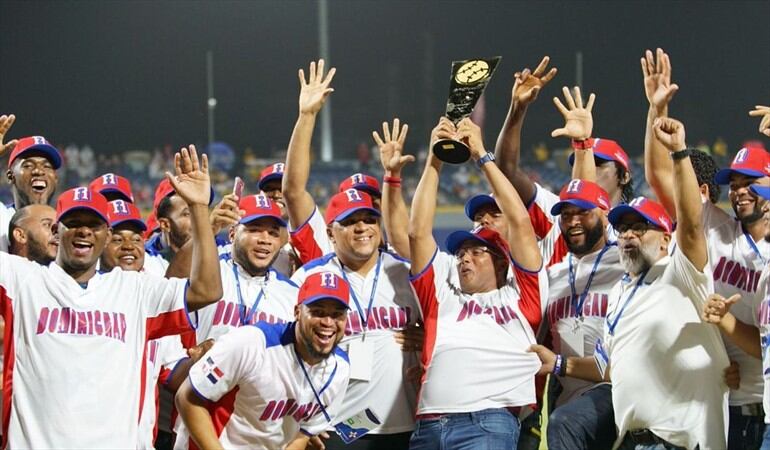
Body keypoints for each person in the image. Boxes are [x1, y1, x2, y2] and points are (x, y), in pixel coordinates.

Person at [0, 145, 222, 448]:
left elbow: (207, 290)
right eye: (74, 223)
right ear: (56, 230)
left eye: (93, 225)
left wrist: (198, 210)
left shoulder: (134, 290)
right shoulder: (23, 279)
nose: (84, 232)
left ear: (105, 234)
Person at [534, 117, 729, 449]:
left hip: (681, 440)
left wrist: (679, 152)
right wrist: (560, 364)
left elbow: (693, 226)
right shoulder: (621, 291)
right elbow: (609, 368)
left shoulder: (681, 271)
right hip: (634, 439)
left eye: (640, 229)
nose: (628, 236)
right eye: (623, 229)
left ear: (667, 240)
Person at [643, 48, 770, 448]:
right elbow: (661, 176)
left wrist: (727, 322)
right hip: (724, 402)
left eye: (750, 182)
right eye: (733, 183)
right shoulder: (716, 228)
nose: (738, 191)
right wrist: (655, 112)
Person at [408, 116, 545, 449]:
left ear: (501, 261)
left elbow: (522, 225)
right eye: (461, 253)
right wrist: (434, 160)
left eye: (477, 252)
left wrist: (483, 156)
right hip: (428, 424)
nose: (464, 258)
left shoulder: (521, 295)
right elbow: (417, 233)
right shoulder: (443, 291)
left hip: (489, 423)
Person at [290, 186, 421, 450]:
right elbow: (285, 352)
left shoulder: (405, 272)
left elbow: (446, 322)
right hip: (337, 424)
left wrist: (428, 334)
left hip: (406, 422)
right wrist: (300, 422)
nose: (362, 227)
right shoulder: (309, 276)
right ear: (330, 233)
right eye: (349, 222)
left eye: (369, 219)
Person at [175, 271, 351, 450]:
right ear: (297, 312)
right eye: (318, 312)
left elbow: (304, 433)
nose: (328, 322)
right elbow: (187, 397)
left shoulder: (340, 369)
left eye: (337, 314)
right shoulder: (251, 342)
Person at [493, 58, 633, 268]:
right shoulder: (556, 212)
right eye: (582, 158)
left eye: (598, 163)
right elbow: (506, 171)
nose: (588, 166)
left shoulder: (635, 226)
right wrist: (517, 109)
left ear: (624, 175)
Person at [100, 198, 206, 450]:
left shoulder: (150, 302)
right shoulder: (87, 296)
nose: (129, 246)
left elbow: (172, 372)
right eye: (117, 239)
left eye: (136, 239)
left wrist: (202, 359)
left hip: (140, 442)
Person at [0, 114, 62, 252]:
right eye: (28, 165)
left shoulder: (68, 228)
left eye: (47, 166)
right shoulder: (1, 218)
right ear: (10, 176)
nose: (38, 171)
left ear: (56, 178)